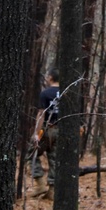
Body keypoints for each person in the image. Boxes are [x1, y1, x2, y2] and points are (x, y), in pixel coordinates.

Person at [30, 69, 60, 199]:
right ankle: (52, 190)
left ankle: (40, 184)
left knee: (31, 153)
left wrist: (37, 133)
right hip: (61, 130)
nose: (46, 78)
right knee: (54, 159)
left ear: (51, 77)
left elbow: (41, 113)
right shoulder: (65, 93)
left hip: (47, 129)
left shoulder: (45, 93)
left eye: (48, 76)